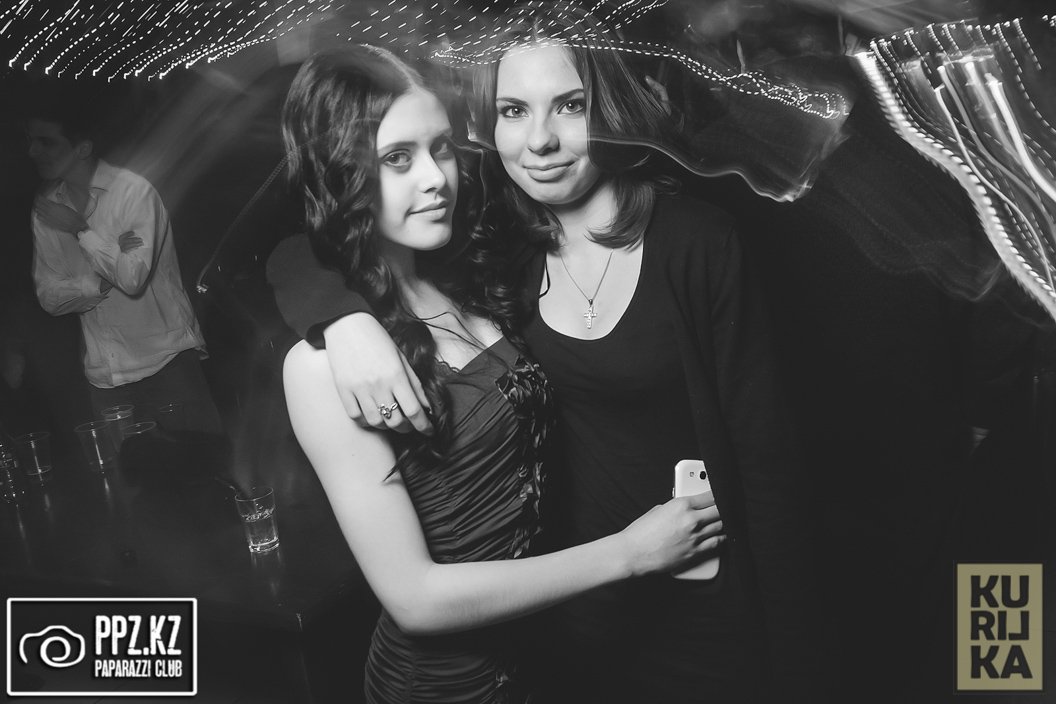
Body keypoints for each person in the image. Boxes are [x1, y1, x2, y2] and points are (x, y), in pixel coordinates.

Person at [269, 6, 819, 703]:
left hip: (627, 633)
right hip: (509, 657)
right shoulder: (490, 252)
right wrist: (341, 320)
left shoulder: (481, 258)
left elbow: (769, 467)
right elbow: (292, 245)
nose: (435, 179)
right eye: (397, 158)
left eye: (441, 149)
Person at [27, 95, 222, 434]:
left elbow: (132, 278)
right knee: (123, 470)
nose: (33, 151)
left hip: (166, 363)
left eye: (46, 142)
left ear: (82, 148)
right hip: (106, 378)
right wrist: (100, 279)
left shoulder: (133, 193)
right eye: (31, 141)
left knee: (200, 464)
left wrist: (81, 230)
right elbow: (49, 297)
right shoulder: (47, 211)